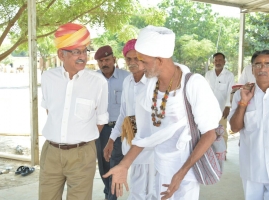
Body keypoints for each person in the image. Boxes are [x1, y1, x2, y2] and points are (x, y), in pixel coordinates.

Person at [103, 25, 222, 200]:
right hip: (160, 168)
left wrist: (180, 174)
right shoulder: (150, 88)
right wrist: (124, 164)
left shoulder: (193, 84)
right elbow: (144, 135)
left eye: (144, 61)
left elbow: (209, 134)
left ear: (159, 60)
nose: (140, 66)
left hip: (186, 175)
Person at [39, 23, 109, 200]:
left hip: (82, 154)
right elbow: (51, 111)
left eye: (85, 51)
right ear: (61, 54)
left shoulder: (98, 82)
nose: (82, 57)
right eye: (76, 52)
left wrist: (80, 140)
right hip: (51, 153)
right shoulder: (48, 78)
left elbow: (101, 120)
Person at [103, 39, 156, 200]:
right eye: (129, 59)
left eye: (137, 59)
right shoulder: (128, 82)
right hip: (133, 147)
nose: (132, 63)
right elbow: (124, 114)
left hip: (153, 149)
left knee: (155, 192)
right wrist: (111, 139)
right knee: (137, 192)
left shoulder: (154, 83)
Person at [229, 50, 269, 200]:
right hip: (253, 167)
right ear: (252, 69)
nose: (262, 68)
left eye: (267, 64)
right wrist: (243, 103)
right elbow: (234, 128)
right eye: (258, 64)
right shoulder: (241, 94)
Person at [95, 45, 130, 200]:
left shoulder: (126, 78)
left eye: (107, 59)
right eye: (101, 61)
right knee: (103, 165)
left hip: (120, 129)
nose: (104, 63)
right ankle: (108, 191)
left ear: (114, 59)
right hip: (99, 130)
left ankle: (111, 196)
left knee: (115, 163)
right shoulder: (92, 79)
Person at [205, 52, 234, 151]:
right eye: (216, 60)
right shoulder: (208, 74)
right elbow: (205, 90)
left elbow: (230, 91)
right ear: (213, 62)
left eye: (220, 60)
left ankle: (223, 152)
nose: (217, 62)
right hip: (208, 109)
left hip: (222, 108)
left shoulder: (229, 75)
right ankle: (210, 151)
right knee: (209, 130)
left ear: (224, 62)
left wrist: (227, 106)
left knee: (222, 131)